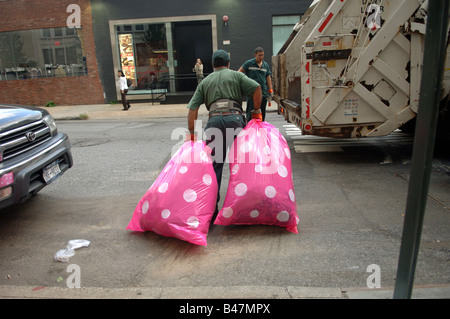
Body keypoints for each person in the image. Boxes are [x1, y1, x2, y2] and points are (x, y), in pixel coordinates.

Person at [186, 50, 263, 215]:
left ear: (213, 65)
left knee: (214, 166)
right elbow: (257, 88)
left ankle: (211, 210)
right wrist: (256, 111)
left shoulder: (205, 82)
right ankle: (244, 208)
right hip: (235, 119)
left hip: (214, 122)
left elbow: (193, 108)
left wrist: (192, 133)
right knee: (243, 164)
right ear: (228, 63)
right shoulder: (236, 76)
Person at [238, 47, 273, 122]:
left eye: (262, 55)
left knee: (262, 112)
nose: (261, 57)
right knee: (251, 111)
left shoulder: (265, 65)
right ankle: (250, 127)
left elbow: (268, 77)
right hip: (252, 93)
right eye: (259, 55)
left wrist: (270, 89)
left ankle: (260, 127)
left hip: (263, 93)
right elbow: (240, 71)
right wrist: (243, 83)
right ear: (255, 55)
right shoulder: (249, 63)